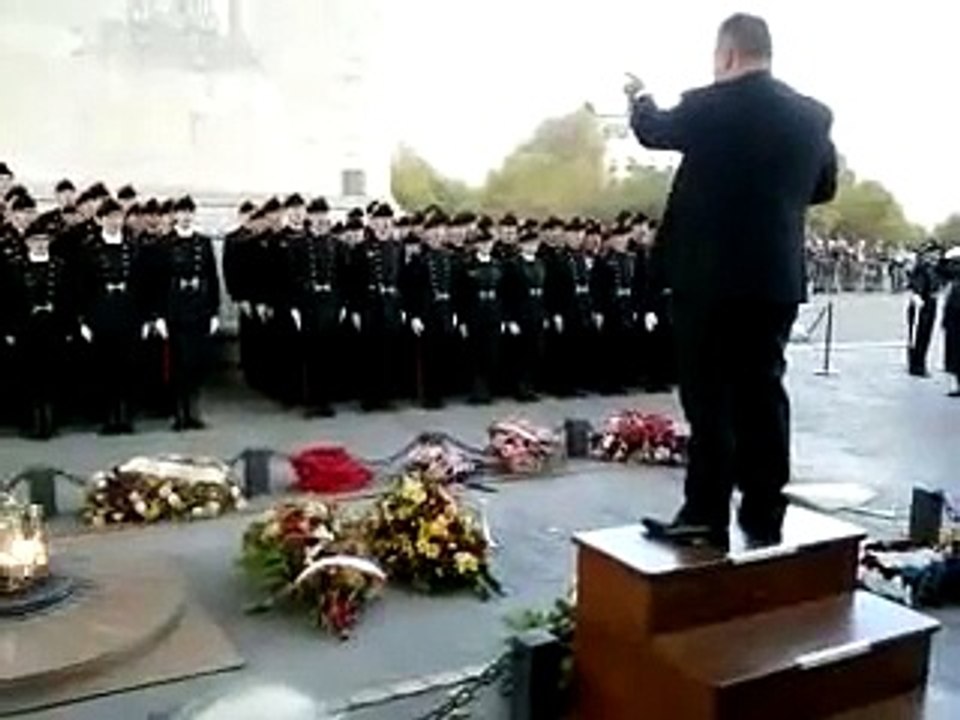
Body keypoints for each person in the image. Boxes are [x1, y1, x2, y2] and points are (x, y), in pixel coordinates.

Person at [629, 13, 838, 546]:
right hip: (773, 278)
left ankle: (705, 512)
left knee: (709, 399)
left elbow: (654, 131)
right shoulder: (812, 116)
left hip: (708, 278)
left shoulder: (708, 105)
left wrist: (640, 97)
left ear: (726, 55)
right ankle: (765, 508)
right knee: (764, 392)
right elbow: (824, 187)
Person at [78, 198, 147, 434]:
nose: (115, 222)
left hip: (128, 311)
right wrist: (84, 320)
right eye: (109, 217)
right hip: (102, 312)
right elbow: (82, 287)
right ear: (100, 220)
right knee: (105, 367)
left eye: (118, 217)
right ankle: (108, 417)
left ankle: (125, 415)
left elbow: (142, 284)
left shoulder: (133, 247)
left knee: (128, 365)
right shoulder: (89, 249)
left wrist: (145, 317)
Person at [157, 196, 220, 430]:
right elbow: (159, 282)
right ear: (175, 215)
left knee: (196, 362)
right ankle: (179, 412)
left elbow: (212, 277)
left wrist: (214, 311)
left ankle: (194, 410)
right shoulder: (165, 243)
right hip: (175, 307)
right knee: (178, 363)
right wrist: (160, 315)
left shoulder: (202, 242)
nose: (185, 217)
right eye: (181, 212)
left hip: (199, 306)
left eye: (189, 212)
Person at [9, 220, 73, 438]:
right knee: (30, 374)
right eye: (35, 240)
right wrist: (10, 329)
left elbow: (67, 299)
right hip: (28, 328)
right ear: (27, 243)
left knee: (52, 372)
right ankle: (34, 421)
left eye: (44, 240)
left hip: (53, 326)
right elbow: (8, 301)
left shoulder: (59, 265)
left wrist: (68, 327)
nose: (40, 244)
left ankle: (51, 419)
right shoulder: (16, 266)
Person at [404, 213, 457, 408]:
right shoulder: (418, 260)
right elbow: (410, 291)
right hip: (426, 312)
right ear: (426, 235)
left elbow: (455, 288)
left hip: (445, 310)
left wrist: (455, 312)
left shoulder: (449, 257)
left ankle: (440, 393)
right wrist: (414, 316)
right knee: (427, 356)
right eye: (432, 232)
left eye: (439, 232)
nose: (436, 236)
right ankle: (427, 396)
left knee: (442, 354)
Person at [501, 228, 547, 401]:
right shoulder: (513, 265)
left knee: (536, 352)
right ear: (521, 245)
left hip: (537, 312)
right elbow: (506, 294)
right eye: (528, 243)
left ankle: (530, 386)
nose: (532, 246)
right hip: (521, 313)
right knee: (520, 353)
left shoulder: (541, 264)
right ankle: (519, 388)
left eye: (534, 243)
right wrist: (509, 319)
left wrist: (545, 314)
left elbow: (545, 292)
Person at [459, 228, 503, 404]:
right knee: (475, 353)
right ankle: (477, 391)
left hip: (493, 312)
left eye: (489, 243)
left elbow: (504, 292)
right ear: (477, 245)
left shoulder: (498, 264)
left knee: (491, 353)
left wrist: (503, 317)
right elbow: (461, 294)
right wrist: (462, 319)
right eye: (482, 243)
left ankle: (487, 389)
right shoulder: (468, 265)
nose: (486, 246)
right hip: (475, 313)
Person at [907, 241, 943, 377]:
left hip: (930, 303)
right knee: (919, 336)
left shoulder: (933, 267)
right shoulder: (922, 267)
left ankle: (919, 363)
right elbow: (916, 286)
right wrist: (917, 298)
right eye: (934, 253)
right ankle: (917, 366)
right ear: (928, 254)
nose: (937, 256)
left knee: (925, 335)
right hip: (922, 305)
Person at [941, 246, 960, 396]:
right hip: (954, 317)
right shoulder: (953, 277)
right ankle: (955, 384)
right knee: (953, 351)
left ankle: (955, 384)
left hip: (953, 316)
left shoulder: (953, 282)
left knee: (953, 351)